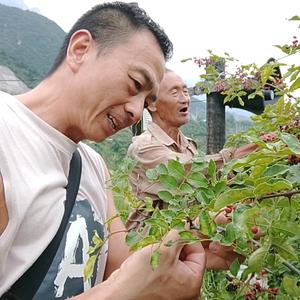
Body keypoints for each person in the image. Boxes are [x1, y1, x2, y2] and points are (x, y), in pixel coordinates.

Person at [0, 2, 207, 300]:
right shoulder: (6, 137)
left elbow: (120, 265)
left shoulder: (91, 165)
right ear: (81, 49)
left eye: (147, 99)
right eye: (135, 83)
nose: (137, 112)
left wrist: (191, 244)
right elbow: (124, 286)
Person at [126, 69, 258, 269]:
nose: (184, 99)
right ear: (152, 103)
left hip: (183, 236)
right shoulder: (143, 147)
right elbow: (185, 173)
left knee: (240, 243)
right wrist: (235, 158)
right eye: (175, 92)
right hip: (148, 243)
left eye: (185, 91)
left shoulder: (189, 145)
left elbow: (205, 184)